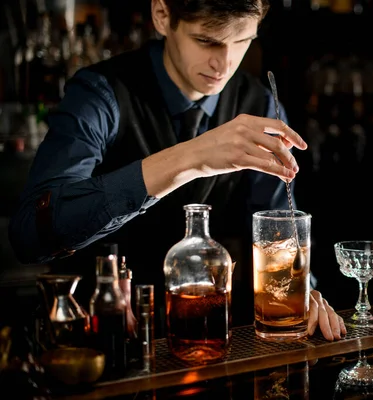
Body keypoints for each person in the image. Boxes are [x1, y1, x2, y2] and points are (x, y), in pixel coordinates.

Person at [8, 0, 346, 341]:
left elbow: (278, 235)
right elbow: (30, 237)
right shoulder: (100, 93)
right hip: (99, 339)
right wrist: (191, 157)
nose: (224, 63)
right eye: (206, 41)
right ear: (162, 16)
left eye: (242, 41)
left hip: (212, 342)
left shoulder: (259, 105)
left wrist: (305, 292)